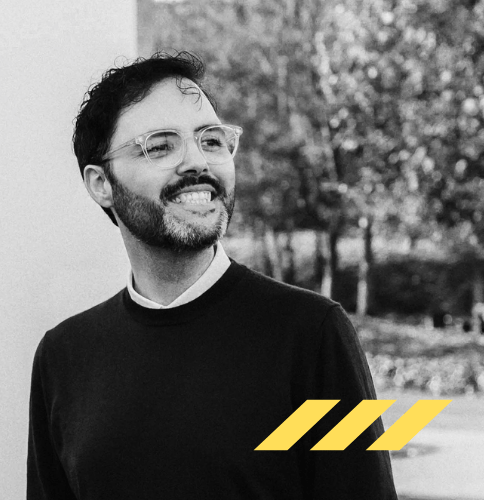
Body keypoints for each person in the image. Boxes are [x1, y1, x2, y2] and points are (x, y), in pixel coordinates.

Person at [27, 51, 397, 500]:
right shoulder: (63, 358)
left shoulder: (311, 334)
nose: (197, 162)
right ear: (101, 183)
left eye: (212, 140)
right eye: (160, 146)